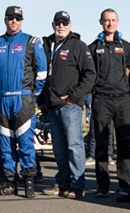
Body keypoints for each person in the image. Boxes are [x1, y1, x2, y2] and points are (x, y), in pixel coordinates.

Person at [0, 6, 47, 198]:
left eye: (17, 18)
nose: (13, 21)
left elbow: (42, 71)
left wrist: (34, 94)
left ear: (22, 20)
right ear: (5, 20)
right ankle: (9, 182)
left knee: (25, 143)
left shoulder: (32, 42)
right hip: (1, 99)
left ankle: (29, 181)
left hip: (22, 98)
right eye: (10, 18)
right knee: (5, 143)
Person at [40, 11, 94, 199]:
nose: (61, 26)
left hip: (70, 105)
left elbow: (90, 74)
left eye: (65, 23)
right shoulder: (46, 44)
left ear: (70, 25)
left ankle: (78, 185)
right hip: (51, 105)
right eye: (58, 23)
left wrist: (73, 96)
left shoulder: (78, 46)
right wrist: (42, 100)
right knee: (59, 148)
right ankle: (62, 183)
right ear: (53, 24)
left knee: (74, 145)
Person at [88, 9, 130, 198]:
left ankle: (124, 183)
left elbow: (129, 69)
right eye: (106, 20)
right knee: (101, 143)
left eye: (113, 20)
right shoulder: (93, 47)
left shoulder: (125, 46)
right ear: (100, 22)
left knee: (124, 142)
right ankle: (103, 186)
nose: (110, 23)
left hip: (122, 99)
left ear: (118, 22)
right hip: (101, 100)